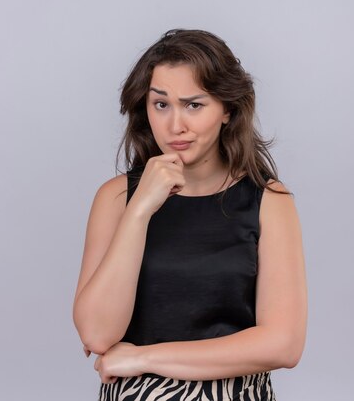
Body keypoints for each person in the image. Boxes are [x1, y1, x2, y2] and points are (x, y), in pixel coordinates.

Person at [72, 28, 307, 401]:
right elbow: (97, 334)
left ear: (227, 109)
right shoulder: (116, 198)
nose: (175, 125)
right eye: (161, 104)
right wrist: (140, 210)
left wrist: (142, 358)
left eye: (194, 105)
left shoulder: (268, 200)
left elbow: (283, 345)